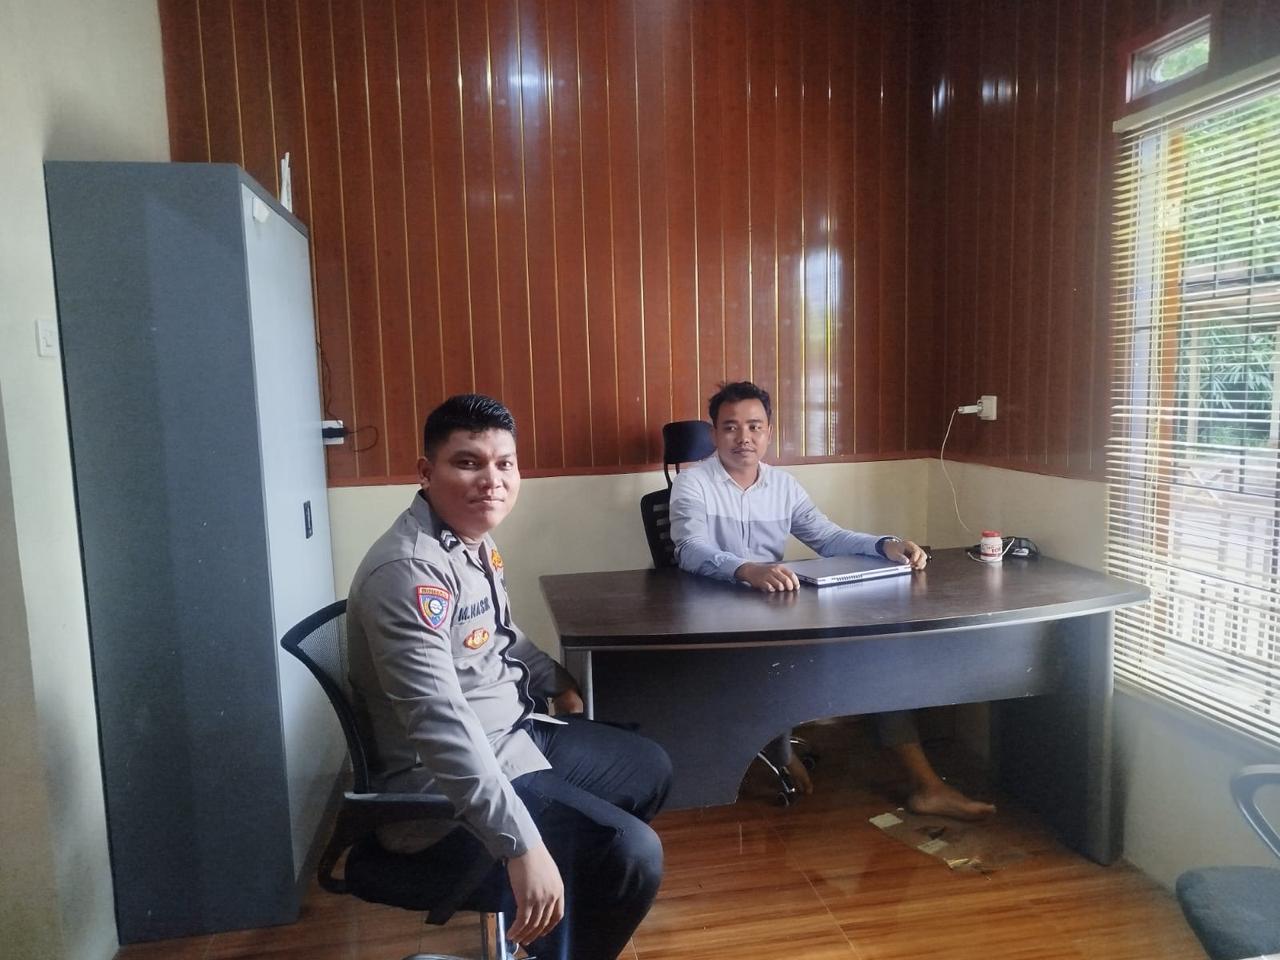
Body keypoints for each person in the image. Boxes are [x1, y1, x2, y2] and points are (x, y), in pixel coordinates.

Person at [346, 394, 672, 960]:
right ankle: (562, 908)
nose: (491, 480)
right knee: (630, 853)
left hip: (512, 736)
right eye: (467, 463)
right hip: (441, 788)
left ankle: (558, 924)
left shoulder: (472, 541)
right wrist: (520, 843)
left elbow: (503, 635)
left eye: (505, 464)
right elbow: (438, 723)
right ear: (426, 472)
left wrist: (558, 682)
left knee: (649, 768)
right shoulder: (410, 572)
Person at [668, 380, 995, 820]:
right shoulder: (693, 484)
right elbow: (690, 549)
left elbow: (827, 537)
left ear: (768, 432)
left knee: (874, 656)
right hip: (715, 617)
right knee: (768, 672)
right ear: (714, 433)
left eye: (754, 426)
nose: (743, 437)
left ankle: (927, 788)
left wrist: (884, 544)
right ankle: (777, 746)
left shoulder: (783, 485)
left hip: (775, 609)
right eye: (730, 427)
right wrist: (748, 569)